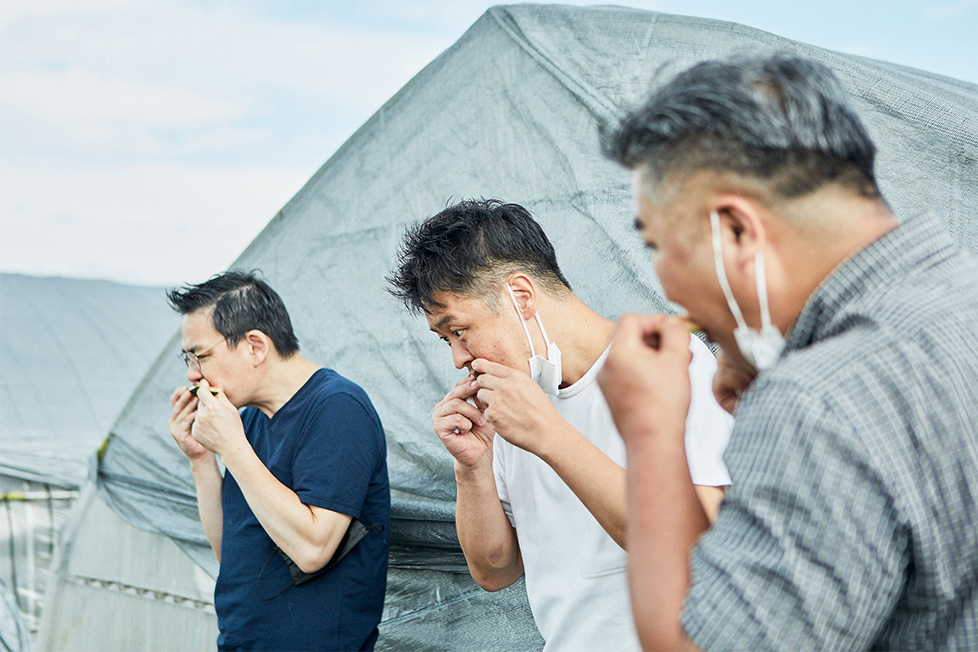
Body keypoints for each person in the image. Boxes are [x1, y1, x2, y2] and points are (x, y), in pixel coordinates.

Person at [599, 53, 978, 651]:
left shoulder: (816, 403)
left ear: (735, 231)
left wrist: (648, 430)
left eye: (655, 245)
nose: (664, 283)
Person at [387, 199, 733, 652]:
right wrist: (472, 468)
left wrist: (547, 434)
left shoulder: (669, 362)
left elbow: (694, 542)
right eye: (444, 339)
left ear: (521, 295)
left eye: (460, 331)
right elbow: (494, 570)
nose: (457, 357)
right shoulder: (515, 395)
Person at [166, 271, 390, 651]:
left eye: (200, 356)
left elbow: (313, 551)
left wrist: (232, 448)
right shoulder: (250, 419)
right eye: (187, 358)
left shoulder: (337, 408)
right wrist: (201, 458)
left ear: (255, 346)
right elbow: (231, 552)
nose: (192, 374)